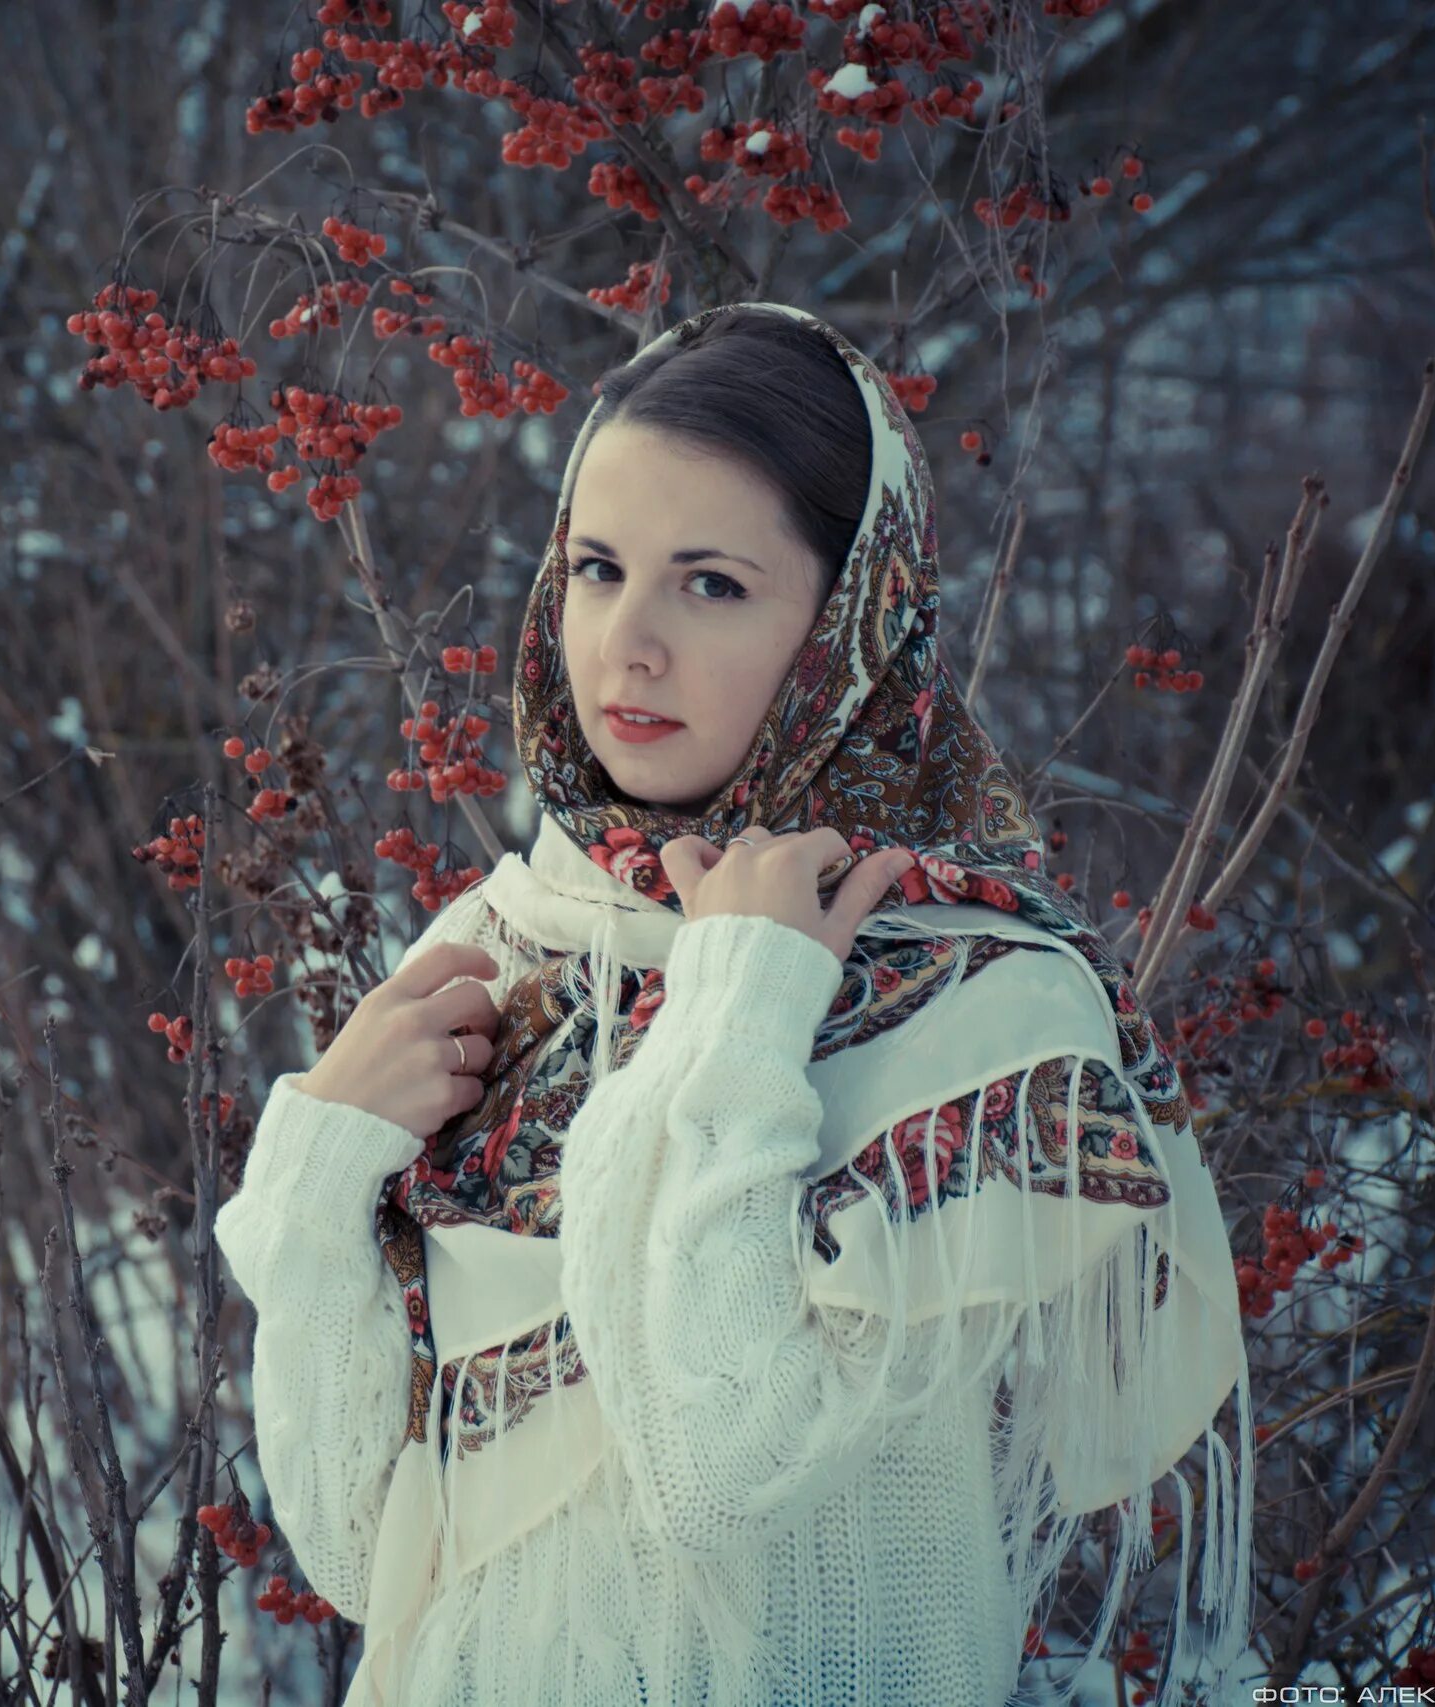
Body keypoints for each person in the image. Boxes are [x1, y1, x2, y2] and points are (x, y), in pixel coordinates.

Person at [213, 300, 1253, 1707]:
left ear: (850, 620)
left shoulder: (980, 1002)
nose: (626, 644)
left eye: (711, 584)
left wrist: (742, 1007)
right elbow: (353, 1547)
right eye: (597, 568)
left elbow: (722, 1467)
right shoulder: (504, 951)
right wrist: (327, 1162)